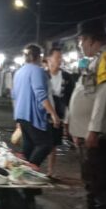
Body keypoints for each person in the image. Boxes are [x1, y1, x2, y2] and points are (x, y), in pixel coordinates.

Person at [67, 19, 106, 209]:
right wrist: (71, 122)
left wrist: (95, 130)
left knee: (103, 187)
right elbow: (83, 92)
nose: (80, 45)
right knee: (92, 183)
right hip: (87, 134)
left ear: (91, 39)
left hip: (100, 138)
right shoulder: (94, 59)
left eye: (81, 40)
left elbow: (105, 94)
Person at [12, 44, 61, 166]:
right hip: (32, 116)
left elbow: (14, 95)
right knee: (45, 145)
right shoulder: (37, 71)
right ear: (38, 56)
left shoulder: (18, 72)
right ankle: (29, 171)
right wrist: (53, 114)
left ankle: (23, 179)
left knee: (28, 148)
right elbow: (40, 94)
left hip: (21, 116)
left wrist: (16, 116)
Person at [45, 47, 76, 177]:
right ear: (49, 59)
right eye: (57, 57)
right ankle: (33, 166)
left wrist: (68, 119)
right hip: (44, 112)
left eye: (60, 58)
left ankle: (50, 171)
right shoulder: (42, 75)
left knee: (53, 144)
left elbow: (71, 99)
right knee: (42, 142)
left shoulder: (67, 77)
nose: (60, 60)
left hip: (60, 112)